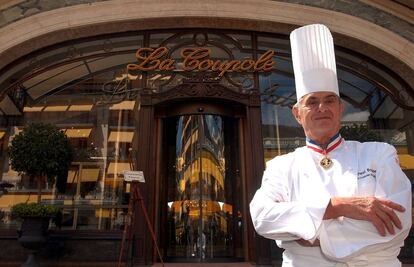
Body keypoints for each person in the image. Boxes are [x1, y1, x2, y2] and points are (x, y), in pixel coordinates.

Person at [249, 24, 412, 267]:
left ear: (340, 109)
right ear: (297, 113)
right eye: (311, 102)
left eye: (329, 100)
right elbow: (262, 218)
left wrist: (306, 232)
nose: (321, 108)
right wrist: (338, 207)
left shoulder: (379, 153)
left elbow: (398, 220)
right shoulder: (280, 166)